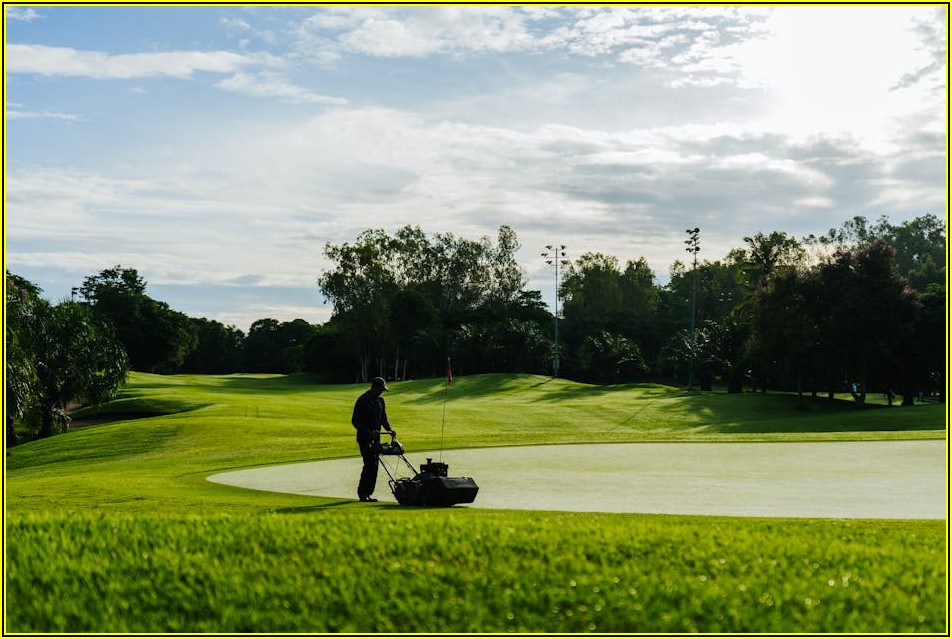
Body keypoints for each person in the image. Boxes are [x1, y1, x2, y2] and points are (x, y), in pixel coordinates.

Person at [351, 376, 393, 502]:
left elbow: (383, 418)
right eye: (380, 389)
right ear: (373, 388)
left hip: (377, 439)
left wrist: (389, 430)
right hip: (364, 439)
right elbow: (355, 421)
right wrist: (368, 432)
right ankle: (362, 492)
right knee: (369, 464)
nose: (381, 392)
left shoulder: (381, 401)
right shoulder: (362, 400)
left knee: (375, 465)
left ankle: (369, 493)